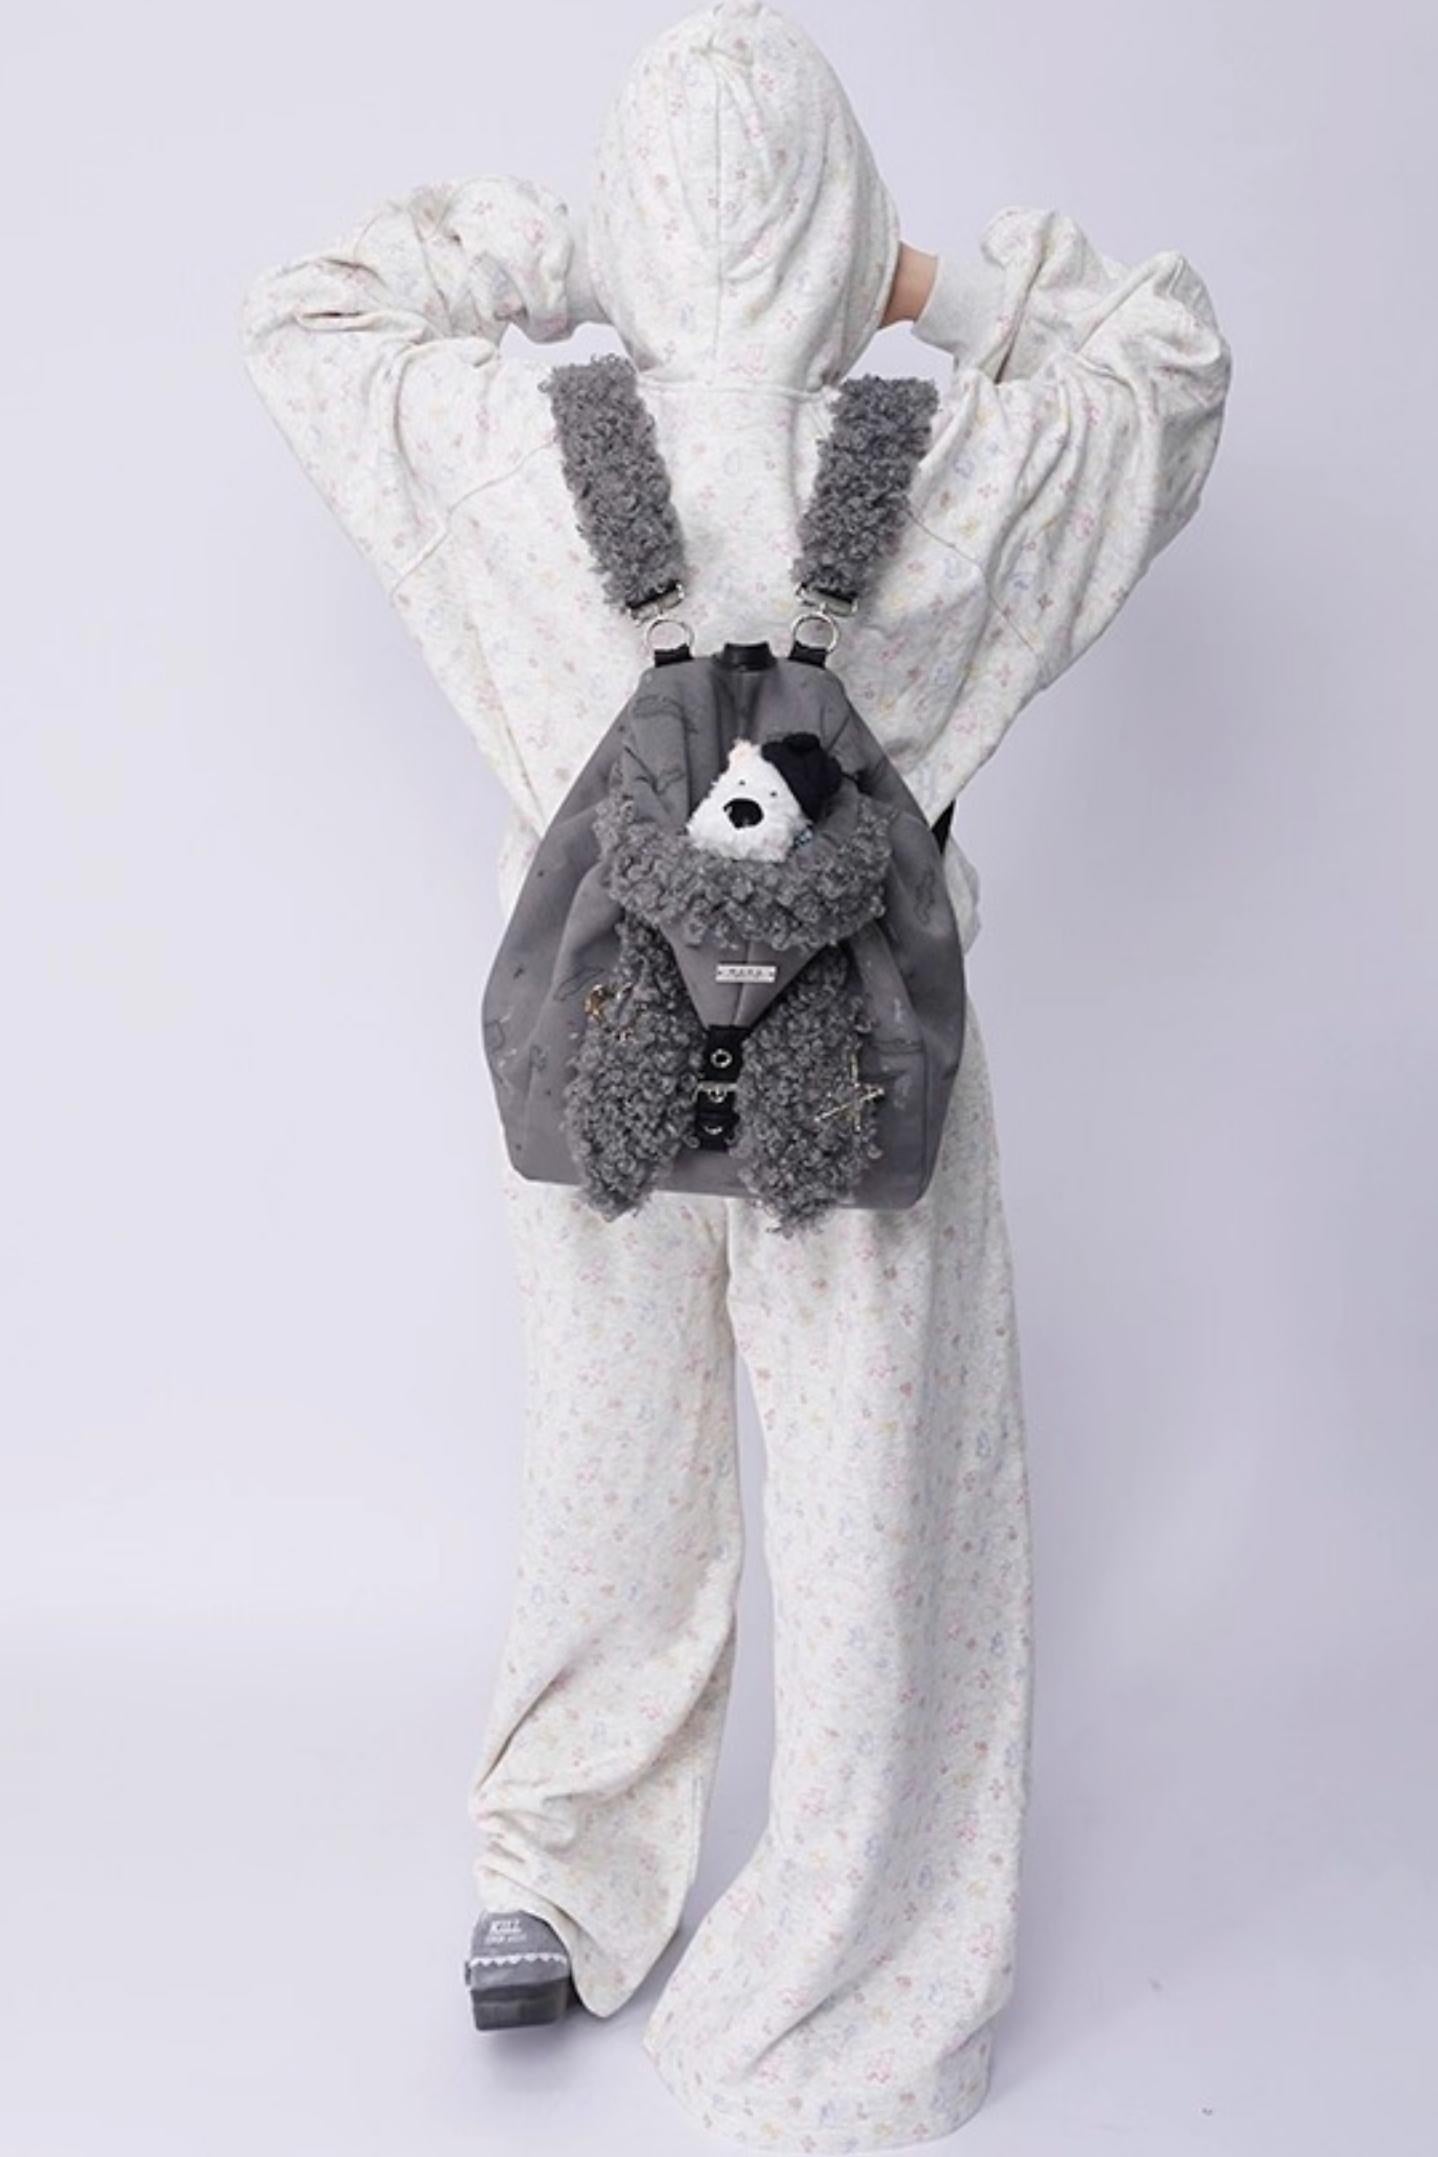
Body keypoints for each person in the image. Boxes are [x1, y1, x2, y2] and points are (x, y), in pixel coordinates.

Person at [239, 0, 1232, 2145]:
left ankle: (554, 1876)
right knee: (883, 1508)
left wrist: (549, 259)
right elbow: (1167, 362)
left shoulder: (525, 455)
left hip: (600, 1046)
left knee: (611, 1467)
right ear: (838, 208)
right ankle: (841, 1976)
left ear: (633, 213)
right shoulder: (951, 470)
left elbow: (306, 316)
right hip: (858, 1075)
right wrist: (919, 285)